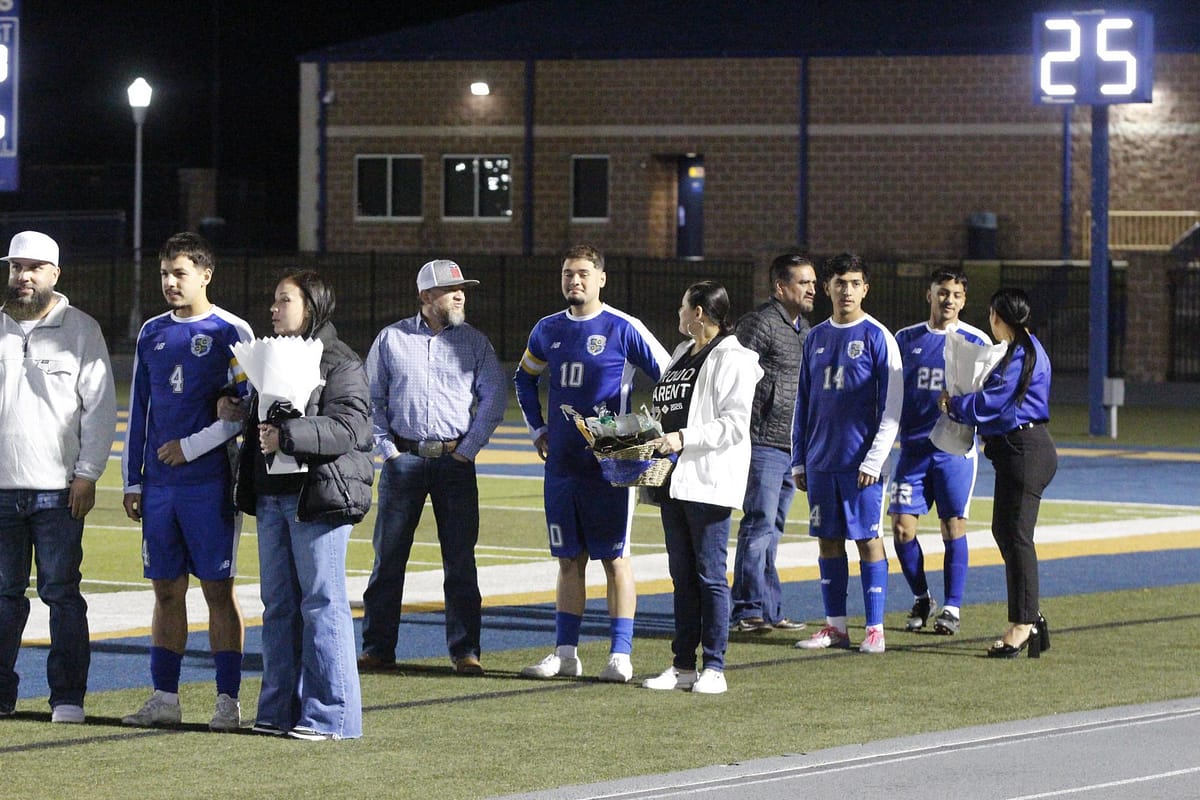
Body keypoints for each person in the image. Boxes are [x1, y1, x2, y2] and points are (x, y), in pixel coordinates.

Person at [221, 271, 371, 740]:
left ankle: (333, 717)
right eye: (273, 298)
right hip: (271, 495)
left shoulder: (340, 361)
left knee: (323, 604)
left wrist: (288, 434)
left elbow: (350, 428)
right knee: (278, 606)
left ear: (313, 306)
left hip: (319, 496)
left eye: (283, 300)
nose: (273, 308)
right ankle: (278, 711)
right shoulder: (268, 357)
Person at [514, 244, 670, 683]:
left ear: (601, 278)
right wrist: (538, 429)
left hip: (611, 468)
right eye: (567, 273)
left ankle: (620, 655)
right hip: (561, 464)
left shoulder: (624, 328)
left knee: (614, 558)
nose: (574, 281)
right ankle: (566, 653)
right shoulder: (546, 329)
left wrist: (647, 432)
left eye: (583, 273)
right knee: (567, 559)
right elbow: (524, 379)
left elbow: (673, 376)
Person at [121, 232, 253, 730]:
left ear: (205, 274)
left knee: (218, 590)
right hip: (158, 488)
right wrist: (132, 480)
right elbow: (139, 410)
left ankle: (227, 701)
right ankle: (165, 698)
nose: (170, 282)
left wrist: (193, 446)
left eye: (179, 273)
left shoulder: (232, 331)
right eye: (163, 274)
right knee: (166, 590)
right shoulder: (152, 331)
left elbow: (246, 410)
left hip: (210, 483)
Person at [359, 259, 506, 676]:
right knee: (388, 560)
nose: (460, 295)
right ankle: (378, 648)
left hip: (454, 463)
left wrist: (468, 449)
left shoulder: (474, 343)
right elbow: (371, 400)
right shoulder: (391, 339)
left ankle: (466, 652)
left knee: (460, 561)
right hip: (403, 462)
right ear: (426, 296)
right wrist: (388, 450)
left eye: (462, 288)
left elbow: (494, 397)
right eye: (450, 289)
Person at [0, 231, 117, 724]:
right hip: (1, 493)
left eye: (33, 268)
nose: (22, 277)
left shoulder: (82, 330)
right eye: (15, 267)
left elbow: (101, 408)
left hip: (56, 491)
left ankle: (67, 698)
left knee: (61, 595)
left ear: (54, 274)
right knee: (3, 598)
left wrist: (87, 473)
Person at [641, 281, 761, 695]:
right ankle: (682, 665)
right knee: (682, 576)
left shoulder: (735, 358)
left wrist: (682, 438)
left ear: (698, 313)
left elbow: (733, 424)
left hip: (707, 479)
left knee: (709, 574)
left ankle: (715, 666)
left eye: (682, 306)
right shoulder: (680, 354)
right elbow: (667, 408)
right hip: (672, 478)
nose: (677, 313)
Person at [792, 253, 902, 654]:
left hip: (861, 466)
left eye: (855, 283)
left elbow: (892, 406)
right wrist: (799, 458)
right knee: (828, 540)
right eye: (840, 283)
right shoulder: (816, 337)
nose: (847, 290)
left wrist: (874, 460)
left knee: (868, 538)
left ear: (865, 289)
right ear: (827, 288)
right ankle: (835, 627)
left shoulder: (878, 337)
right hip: (821, 462)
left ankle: (875, 627)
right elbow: (803, 402)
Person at [941, 287, 1056, 658]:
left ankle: (1024, 624)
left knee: (1017, 536)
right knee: (1006, 531)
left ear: (996, 317)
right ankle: (1030, 617)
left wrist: (953, 405)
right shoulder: (1026, 350)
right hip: (1019, 450)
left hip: (1025, 450)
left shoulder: (1021, 355)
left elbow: (990, 402)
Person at [890, 269, 991, 636]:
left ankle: (952, 609)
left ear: (964, 301)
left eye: (956, 295)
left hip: (955, 451)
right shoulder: (905, 339)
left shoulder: (976, 340)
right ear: (928, 294)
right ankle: (922, 597)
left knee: (953, 528)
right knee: (902, 530)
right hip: (913, 451)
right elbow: (890, 392)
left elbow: (989, 394)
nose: (949, 300)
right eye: (942, 292)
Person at [730, 254, 817, 633]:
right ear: (781, 288)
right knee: (759, 522)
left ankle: (769, 609)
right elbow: (733, 376)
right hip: (760, 440)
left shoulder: (804, 328)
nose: (812, 289)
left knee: (774, 526)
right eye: (803, 282)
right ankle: (746, 609)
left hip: (790, 444)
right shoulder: (760, 323)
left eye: (813, 282)